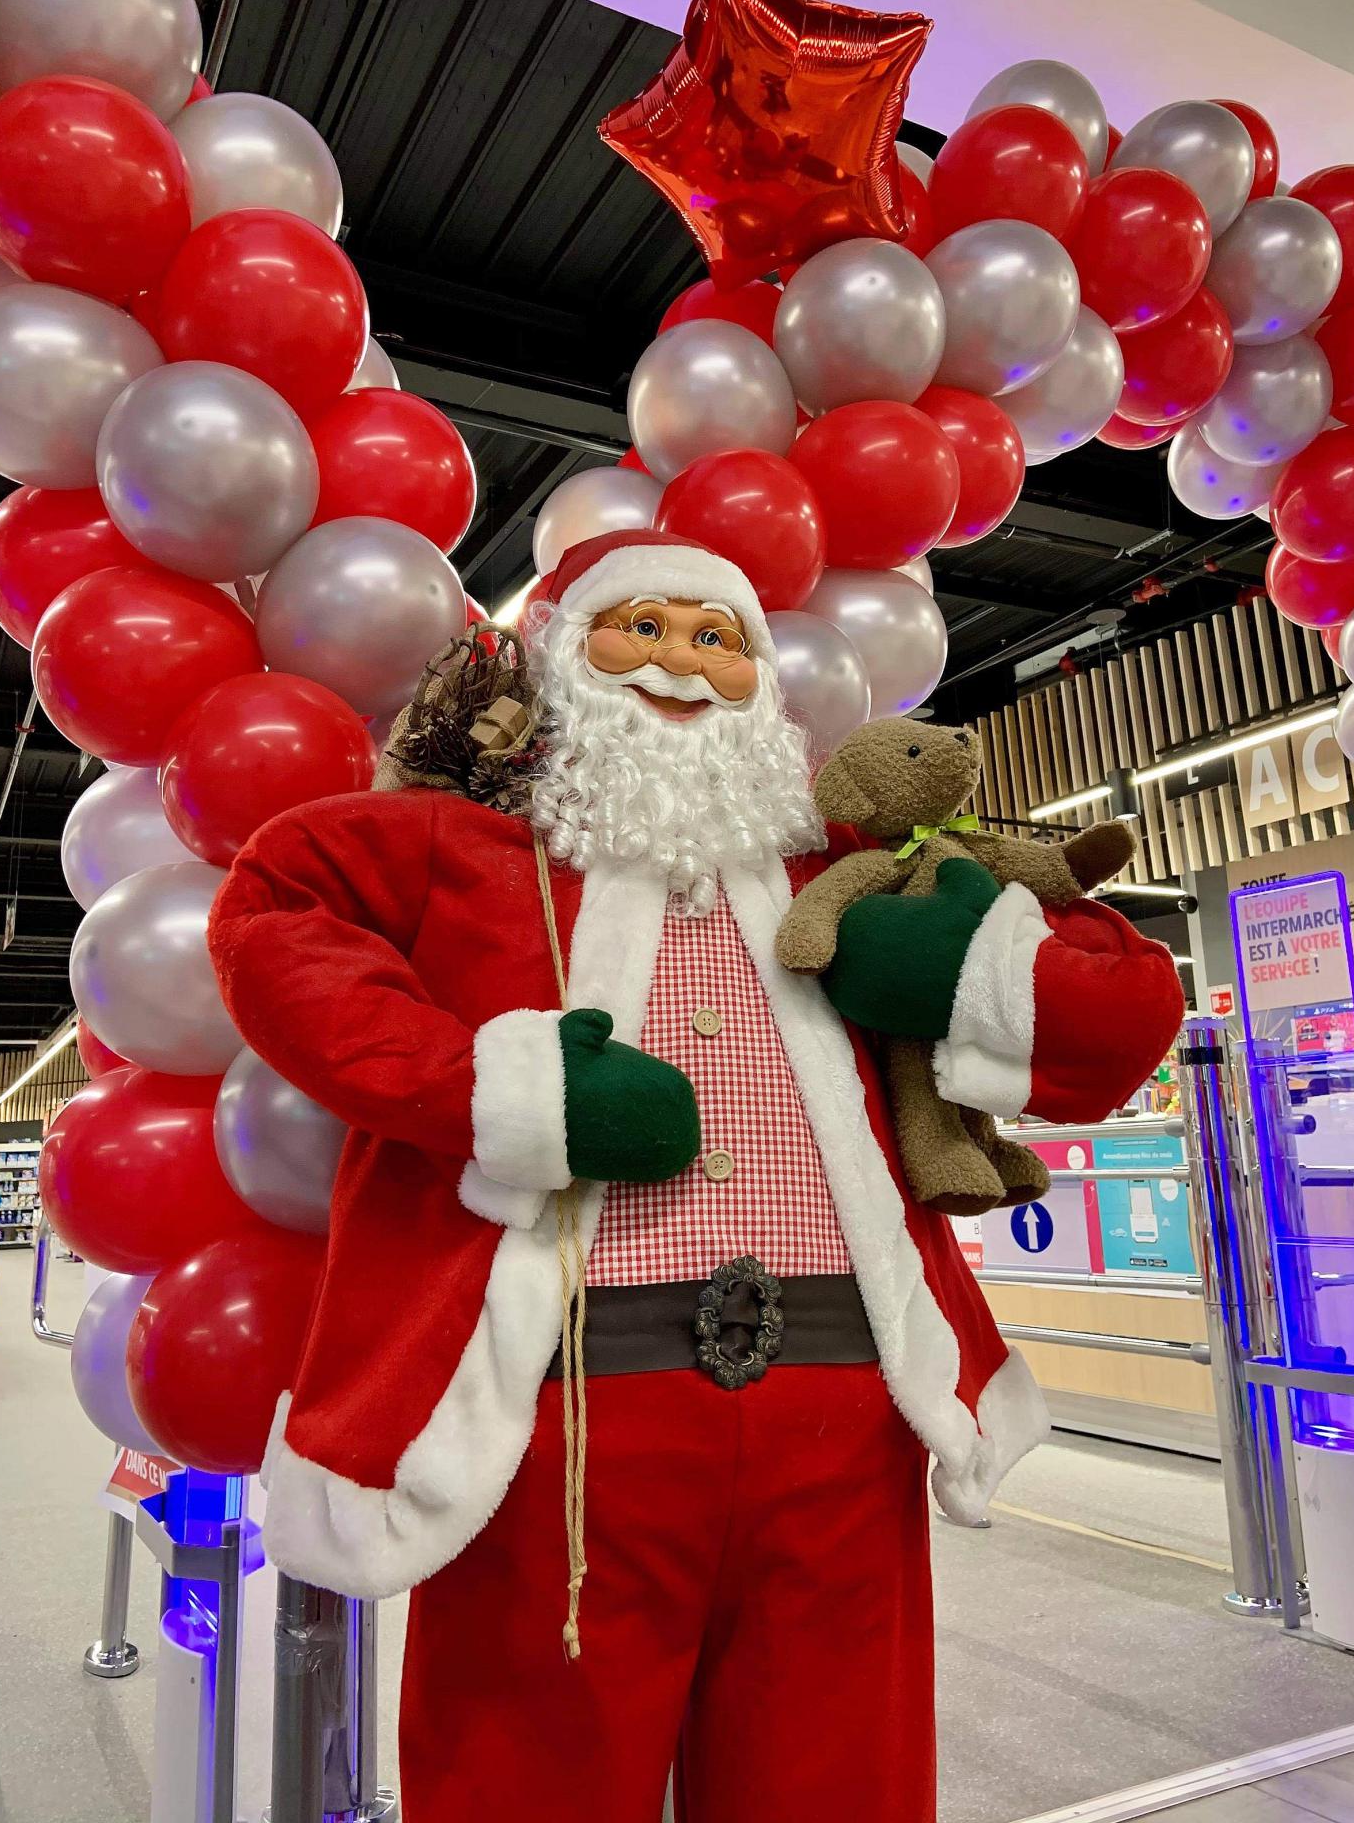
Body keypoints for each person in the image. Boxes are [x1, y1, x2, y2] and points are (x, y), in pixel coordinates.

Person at [210, 529, 1184, 1822]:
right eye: (645, 628)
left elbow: (1120, 1021)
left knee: (835, 1776)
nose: (681, 661)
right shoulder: (461, 855)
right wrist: (504, 1088)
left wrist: (966, 966)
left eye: (719, 638)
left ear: (763, 684)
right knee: (534, 1772)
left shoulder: (836, 875)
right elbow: (278, 906)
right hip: (566, 1419)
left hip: (844, 1419)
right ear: (566, 660)